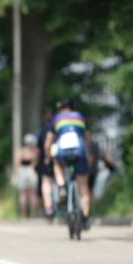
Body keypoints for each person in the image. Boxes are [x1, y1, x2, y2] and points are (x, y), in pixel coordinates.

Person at [46, 99, 92, 230]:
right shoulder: (80, 117)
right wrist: (89, 155)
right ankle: (85, 217)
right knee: (83, 187)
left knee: (57, 164)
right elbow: (88, 139)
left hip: (63, 153)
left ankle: (61, 187)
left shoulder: (56, 119)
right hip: (80, 152)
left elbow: (48, 142)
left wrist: (48, 157)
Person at [36, 110, 56, 219]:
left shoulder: (43, 130)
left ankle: (48, 207)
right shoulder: (60, 125)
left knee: (46, 182)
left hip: (46, 160)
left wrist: (37, 162)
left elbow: (40, 148)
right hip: (61, 157)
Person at [14, 133, 40, 218]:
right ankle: (33, 214)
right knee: (33, 194)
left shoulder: (20, 151)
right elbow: (36, 161)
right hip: (31, 171)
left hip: (22, 171)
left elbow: (17, 163)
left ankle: (23, 214)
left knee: (23, 194)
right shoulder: (35, 151)